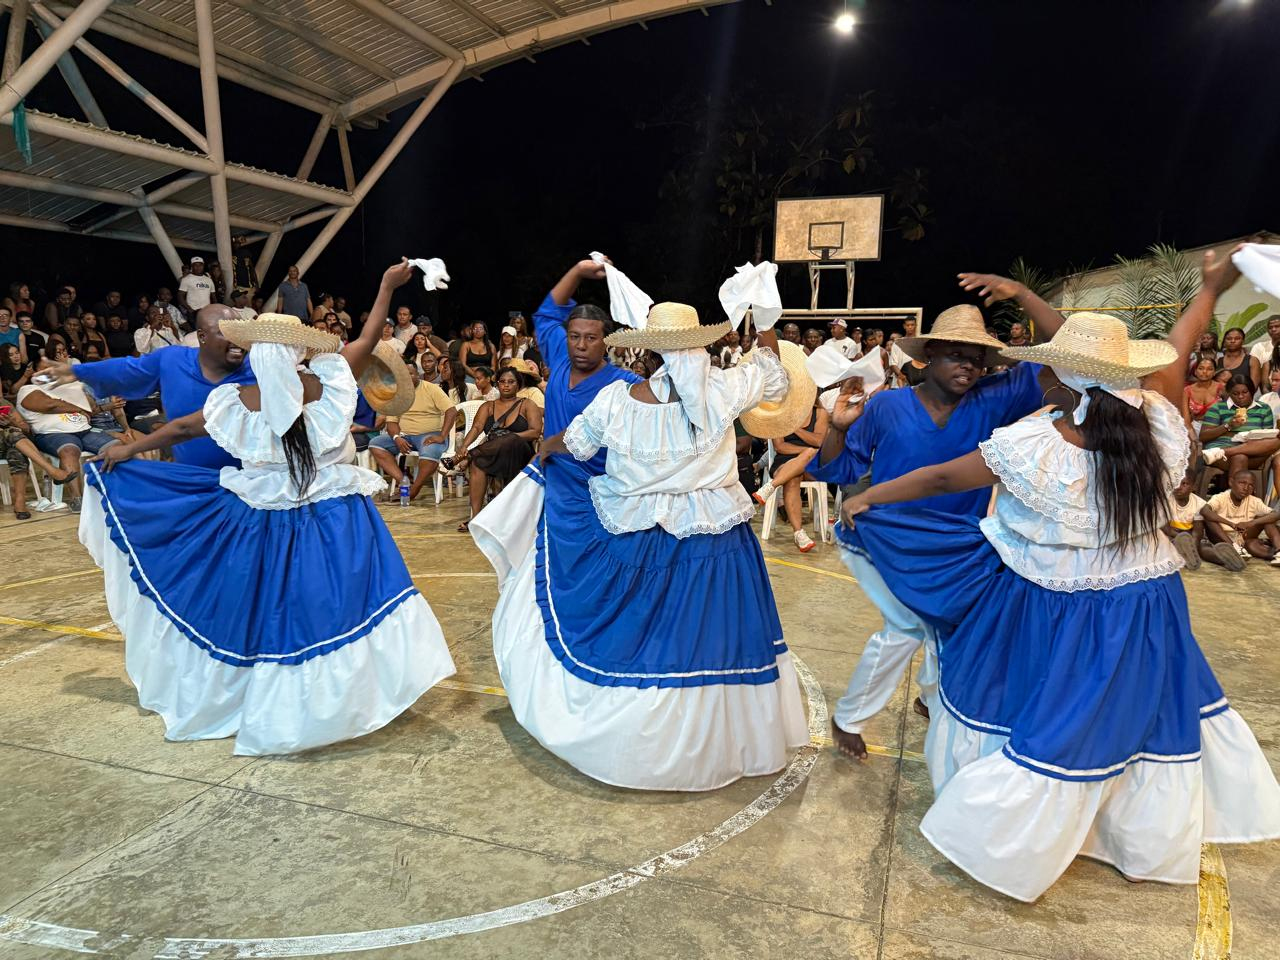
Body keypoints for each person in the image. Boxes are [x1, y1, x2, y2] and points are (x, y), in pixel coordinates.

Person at [838, 257, 1280, 901]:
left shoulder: (1036, 446)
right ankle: (1131, 838)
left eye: (1044, 365)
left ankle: (1018, 835)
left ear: (1059, 380)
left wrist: (870, 497)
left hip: (1053, 604)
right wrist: (1209, 289)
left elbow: (938, 480)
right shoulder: (1155, 421)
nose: (1033, 373)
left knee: (1051, 715)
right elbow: (1179, 348)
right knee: (1128, 715)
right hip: (1148, 603)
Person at [77, 259, 456, 755]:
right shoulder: (327, 385)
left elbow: (184, 427)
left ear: (259, 352)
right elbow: (366, 341)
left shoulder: (240, 398)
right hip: (336, 517)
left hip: (265, 521)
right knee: (338, 603)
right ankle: (344, 696)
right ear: (300, 351)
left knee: (273, 609)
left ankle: (279, 699)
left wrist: (126, 450)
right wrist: (385, 285)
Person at [475, 295, 807, 791]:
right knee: (713, 641)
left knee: (651, 644)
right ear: (700, 347)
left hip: (644, 541)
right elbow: (776, 375)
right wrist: (763, 322)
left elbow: (575, 441)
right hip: (718, 540)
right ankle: (716, 746)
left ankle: (646, 748)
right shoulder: (723, 388)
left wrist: (543, 445)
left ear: (649, 355)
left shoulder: (617, 401)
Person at [809, 274, 1070, 763]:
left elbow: (1067, 352)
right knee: (907, 625)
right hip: (879, 534)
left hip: (955, 543)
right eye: (956, 356)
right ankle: (849, 719)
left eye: (976, 360)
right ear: (926, 358)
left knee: (950, 623)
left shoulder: (997, 397)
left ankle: (931, 697)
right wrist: (836, 428)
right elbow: (840, 468)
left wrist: (1023, 296)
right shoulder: (886, 405)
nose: (968, 368)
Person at [48, 305, 256, 470]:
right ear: (202, 336)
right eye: (224, 333)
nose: (236, 340)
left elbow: (185, 428)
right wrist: (79, 371)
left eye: (239, 332)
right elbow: (127, 369)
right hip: (193, 481)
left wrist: (131, 448)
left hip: (254, 489)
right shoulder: (172, 360)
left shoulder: (260, 372)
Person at [17, 357, 120, 511]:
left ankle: (119, 493)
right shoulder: (28, 389)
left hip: (85, 430)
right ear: (35, 373)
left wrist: (79, 390)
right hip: (53, 434)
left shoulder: (69, 388)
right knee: (69, 451)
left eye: (51, 369)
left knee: (118, 447)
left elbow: (90, 408)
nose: (49, 372)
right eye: (44, 369)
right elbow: (48, 404)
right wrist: (77, 408)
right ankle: (78, 500)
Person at [453, 366, 542, 529]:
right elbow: (476, 428)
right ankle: (476, 518)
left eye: (511, 382)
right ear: (498, 384)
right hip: (491, 453)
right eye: (502, 382)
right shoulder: (488, 406)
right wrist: (463, 446)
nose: (506, 385)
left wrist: (512, 436)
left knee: (504, 442)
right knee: (478, 463)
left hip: (520, 451)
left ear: (518, 384)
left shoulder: (527, 404)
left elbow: (535, 432)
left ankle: (470, 456)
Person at [367, 359, 457, 502]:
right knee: (375, 444)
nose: (408, 377)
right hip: (406, 436)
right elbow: (391, 422)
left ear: (417, 374)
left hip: (431, 434)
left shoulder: (431, 388)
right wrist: (397, 437)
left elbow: (451, 411)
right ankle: (404, 482)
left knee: (428, 452)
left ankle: (414, 489)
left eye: (411, 374)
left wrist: (442, 436)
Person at [754, 399, 829, 552]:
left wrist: (795, 428)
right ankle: (799, 533)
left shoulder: (820, 413)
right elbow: (780, 446)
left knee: (808, 456)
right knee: (793, 478)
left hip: (813, 465)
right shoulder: (779, 414)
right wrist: (806, 452)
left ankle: (771, 486)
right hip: (785, 461)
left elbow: (819, 441)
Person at [0, 404, 76, 519]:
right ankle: (52, 470)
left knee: (16, 450)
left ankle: (20, 502)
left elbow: (26, 429)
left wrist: (11, 422)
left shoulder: (4, 403)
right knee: (12, 433)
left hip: (7, 444)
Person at [1200, 374, 1280, 478]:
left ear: (1252, 391)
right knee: (1240, 457)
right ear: (1229, 393)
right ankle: (1238, 493)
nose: (1240, 396)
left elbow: (1267, 438)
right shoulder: (1218, 408)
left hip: (1253, 454)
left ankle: (1225, 452)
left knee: (1277, 440)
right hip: (1220, 455)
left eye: (1245, 392)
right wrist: (1228, 426)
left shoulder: (1264, 409)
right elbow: (1203, 436)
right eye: (1235, 393)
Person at [1202, 469, 1280, 566]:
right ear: (1231, 482)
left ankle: (1278, 552)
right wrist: (1230, 524)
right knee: (1209, 518)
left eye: (1250, 485)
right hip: (1221, 538)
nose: (1246, 488)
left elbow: (1276, 514)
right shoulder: (1220, 498)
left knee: (1267, 521)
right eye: (1242, 483)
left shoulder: (1254, 501)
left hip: (1243, 538)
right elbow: (1204, 511)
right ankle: (1233, 547)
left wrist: (1250, 523)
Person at [1162, 473, 1213, 570]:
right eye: (1175, 483)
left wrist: (1192, 545)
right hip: (1170, 535)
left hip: (1188, 536)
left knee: (1201, 548)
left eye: (1184, 484)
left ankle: (1220, 557)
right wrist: (1181, 538)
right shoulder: (1166, 500)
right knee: (1167, 545)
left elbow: (1197, 532)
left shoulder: (1199, 503)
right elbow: (1165, 528)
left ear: (1193, 487)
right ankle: (1185, 557)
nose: (1178, 487)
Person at [1182, 356, 1223, 430]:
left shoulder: (1221, 388)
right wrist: (1193, 438)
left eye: (1209, 369)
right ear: (1195, 371)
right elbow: (1186, 421)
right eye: (1201, 368)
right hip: (1194, 427)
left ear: (1214, 372)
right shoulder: (1187, 391)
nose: (1204, 371)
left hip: (1216, 428)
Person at [1249, 314, 1280, 380]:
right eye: (1270, 327)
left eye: (1277, 326)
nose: (1273, 329)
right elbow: (1255, 372)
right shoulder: (1259, 347)